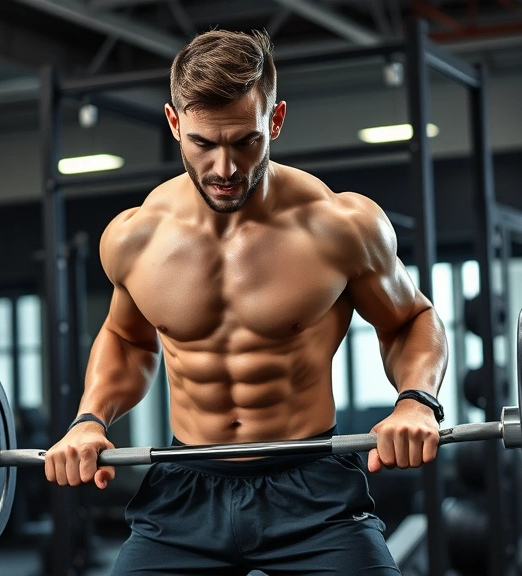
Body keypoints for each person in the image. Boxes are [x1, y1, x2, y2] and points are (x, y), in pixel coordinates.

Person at [44, 28, 449, 576]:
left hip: (312, 489)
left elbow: (411, 320)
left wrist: (416, 401)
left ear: (275, 120)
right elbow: (127, 339)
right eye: (203, 144)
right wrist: (90, 419)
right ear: (174, 125)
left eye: (244, 141)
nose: (225, 169)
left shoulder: (340, 226)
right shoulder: (135, 237)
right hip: (186, 486)